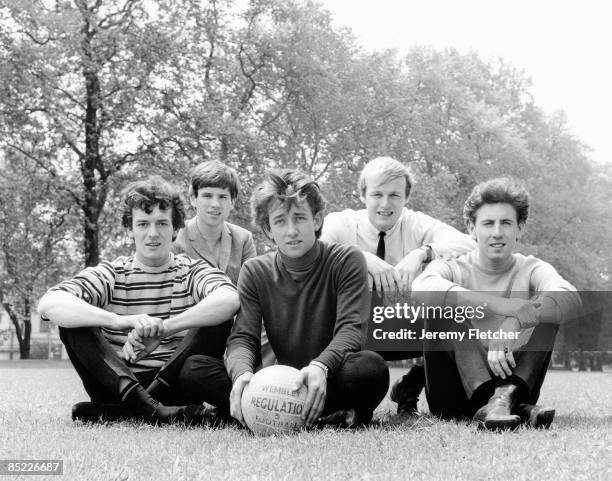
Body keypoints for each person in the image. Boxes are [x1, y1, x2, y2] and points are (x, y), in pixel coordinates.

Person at [38, 175, 240, 425]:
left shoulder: (191, 271)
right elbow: (49, 303)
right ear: (130, 228)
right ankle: (149, 409)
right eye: (143, 224)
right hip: (116, 383)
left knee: (215, 321)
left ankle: (132, 411)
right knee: (74, 322)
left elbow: (230, 298)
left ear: (175, 228)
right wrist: (121, 321)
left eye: (162, 224)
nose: (152, 234)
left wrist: (165, 328)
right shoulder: (112, 273)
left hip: (173, 382)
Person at [413, 177, 581, 430]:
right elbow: (420, 289)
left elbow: (571, 297)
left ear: (520, 228)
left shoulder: (532, 268)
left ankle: (502, 401)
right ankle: (509, 407)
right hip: (452, 396)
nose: (497, 233)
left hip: (514, 386)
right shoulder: (452, 265)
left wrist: (515, 320)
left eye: (506, 223)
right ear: (472, 228)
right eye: (488, 223)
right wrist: (497, 305)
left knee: (548, 309)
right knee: (443, 303)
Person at [226, 170, 389, 428]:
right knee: (197, 369)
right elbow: (244, 337)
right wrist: (242, 374)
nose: (291, 231)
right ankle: (318, 415)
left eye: (299, 218)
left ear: (316, 219)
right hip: (279, 384)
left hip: (333, 374)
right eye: (280, 221)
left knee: (371, 368)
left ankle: (308, 413)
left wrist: (321, 367)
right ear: (268, 229)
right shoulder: (255, 271)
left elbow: (351, 330)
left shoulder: (346, 259)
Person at [321, 156, 476, 415]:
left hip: (401, 323)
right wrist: (360, 258)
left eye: (394, 195)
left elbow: (471, 245)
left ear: (406, 197)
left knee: (455, 313)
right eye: (377, 194)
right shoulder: (341, 223)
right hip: (349, 327)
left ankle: (414, 383)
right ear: (362, 195)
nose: (385, 204)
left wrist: (422, 254)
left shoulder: (415, 223)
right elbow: (316, 250)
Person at [173, 160, 274, 367]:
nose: (215, 204)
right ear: (193, 199)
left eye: (223, 197)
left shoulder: (243, 238)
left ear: (232, 202)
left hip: (236, 330)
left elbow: (252, 294)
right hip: (191, 331)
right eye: (207, 195)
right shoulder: (177, 239)